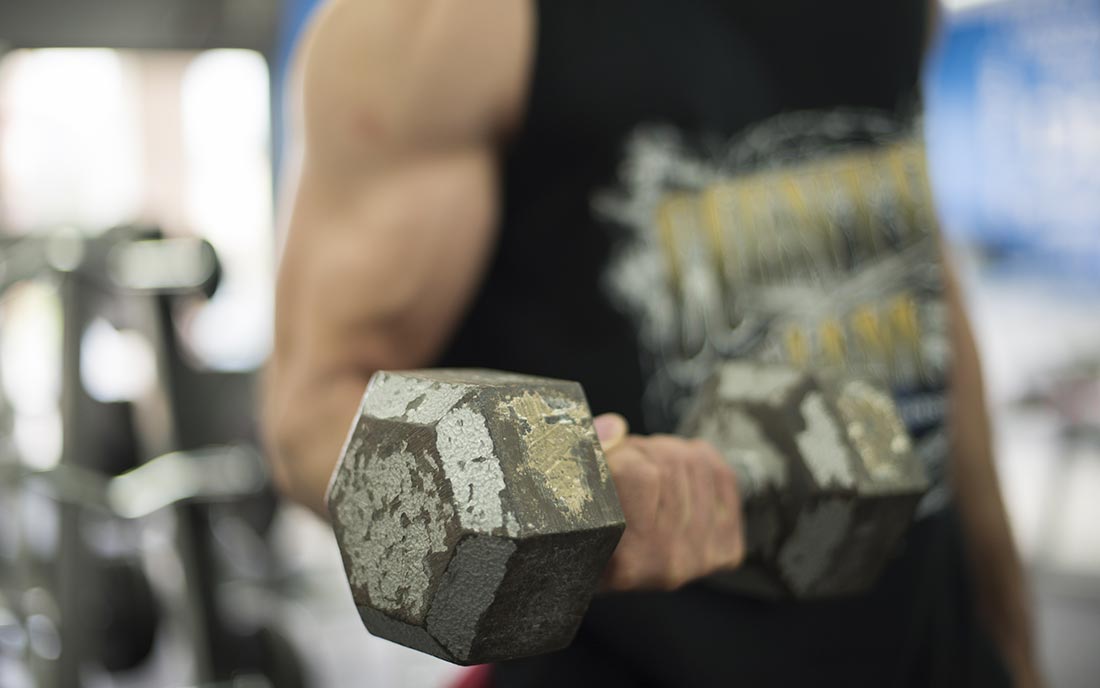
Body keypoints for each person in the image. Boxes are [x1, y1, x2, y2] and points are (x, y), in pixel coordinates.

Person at [263, 1, 1040, 685]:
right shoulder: (441, 23)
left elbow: (915, 278)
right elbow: (312, 416)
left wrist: (1011, 635)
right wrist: (567, 499)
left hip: (940, 655)